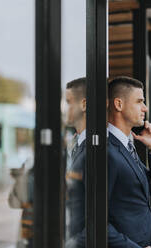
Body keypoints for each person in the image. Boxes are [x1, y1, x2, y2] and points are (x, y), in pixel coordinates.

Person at [107, 76, 151, 248]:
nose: (145, 108)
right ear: (119, 104)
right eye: (139, 101)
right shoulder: (107, 150)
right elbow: (94, 219)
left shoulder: (125, 146)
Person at [64, 77, 87, 248]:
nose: (65, 108)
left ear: (84, 105)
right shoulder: (77, 144)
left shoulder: (95, 150)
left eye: (68, 102)